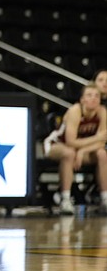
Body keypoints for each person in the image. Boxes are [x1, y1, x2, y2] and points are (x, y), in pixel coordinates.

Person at [44, 84, 107, 215]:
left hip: (80, 150)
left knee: (102, 154)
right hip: (56, 145)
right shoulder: (75, 111)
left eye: (96, 96)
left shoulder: (102, 112)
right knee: (69, 153)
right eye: (89, 95)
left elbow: (102, 142)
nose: (93, 99)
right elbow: (70, 142)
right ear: (82, 99)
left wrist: (83, 151)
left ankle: (104, 199)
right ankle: (65, 200)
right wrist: (97, 138)